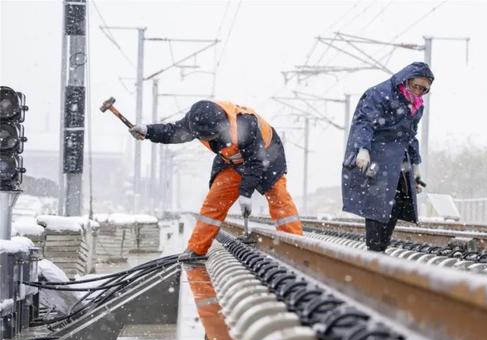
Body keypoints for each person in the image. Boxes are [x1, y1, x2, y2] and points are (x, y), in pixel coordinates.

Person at [129, 100, 303, 259]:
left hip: (266, 158)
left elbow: (255, 162)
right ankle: (196, 249)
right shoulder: (195, 121)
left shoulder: (244, 123)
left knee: (279, 198)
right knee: (215, 201)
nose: (208, 140)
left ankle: (297, 247)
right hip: (232, 160)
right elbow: (172, 131)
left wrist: (245, 194)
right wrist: (148, 131)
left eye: (211, 137)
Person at [341, 62, 434, 252]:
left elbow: (410, 135)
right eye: (415, 85)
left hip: (399, 158)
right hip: (377, 155)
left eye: (423, 89)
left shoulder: (417, 106)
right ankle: (374, 247)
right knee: (377, 202)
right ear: (406, 80)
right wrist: (363, 149)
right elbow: (364, 122)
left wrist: (415, 164)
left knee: (396, 201)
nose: (417, 91)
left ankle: (381, 247)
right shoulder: (379, 94)